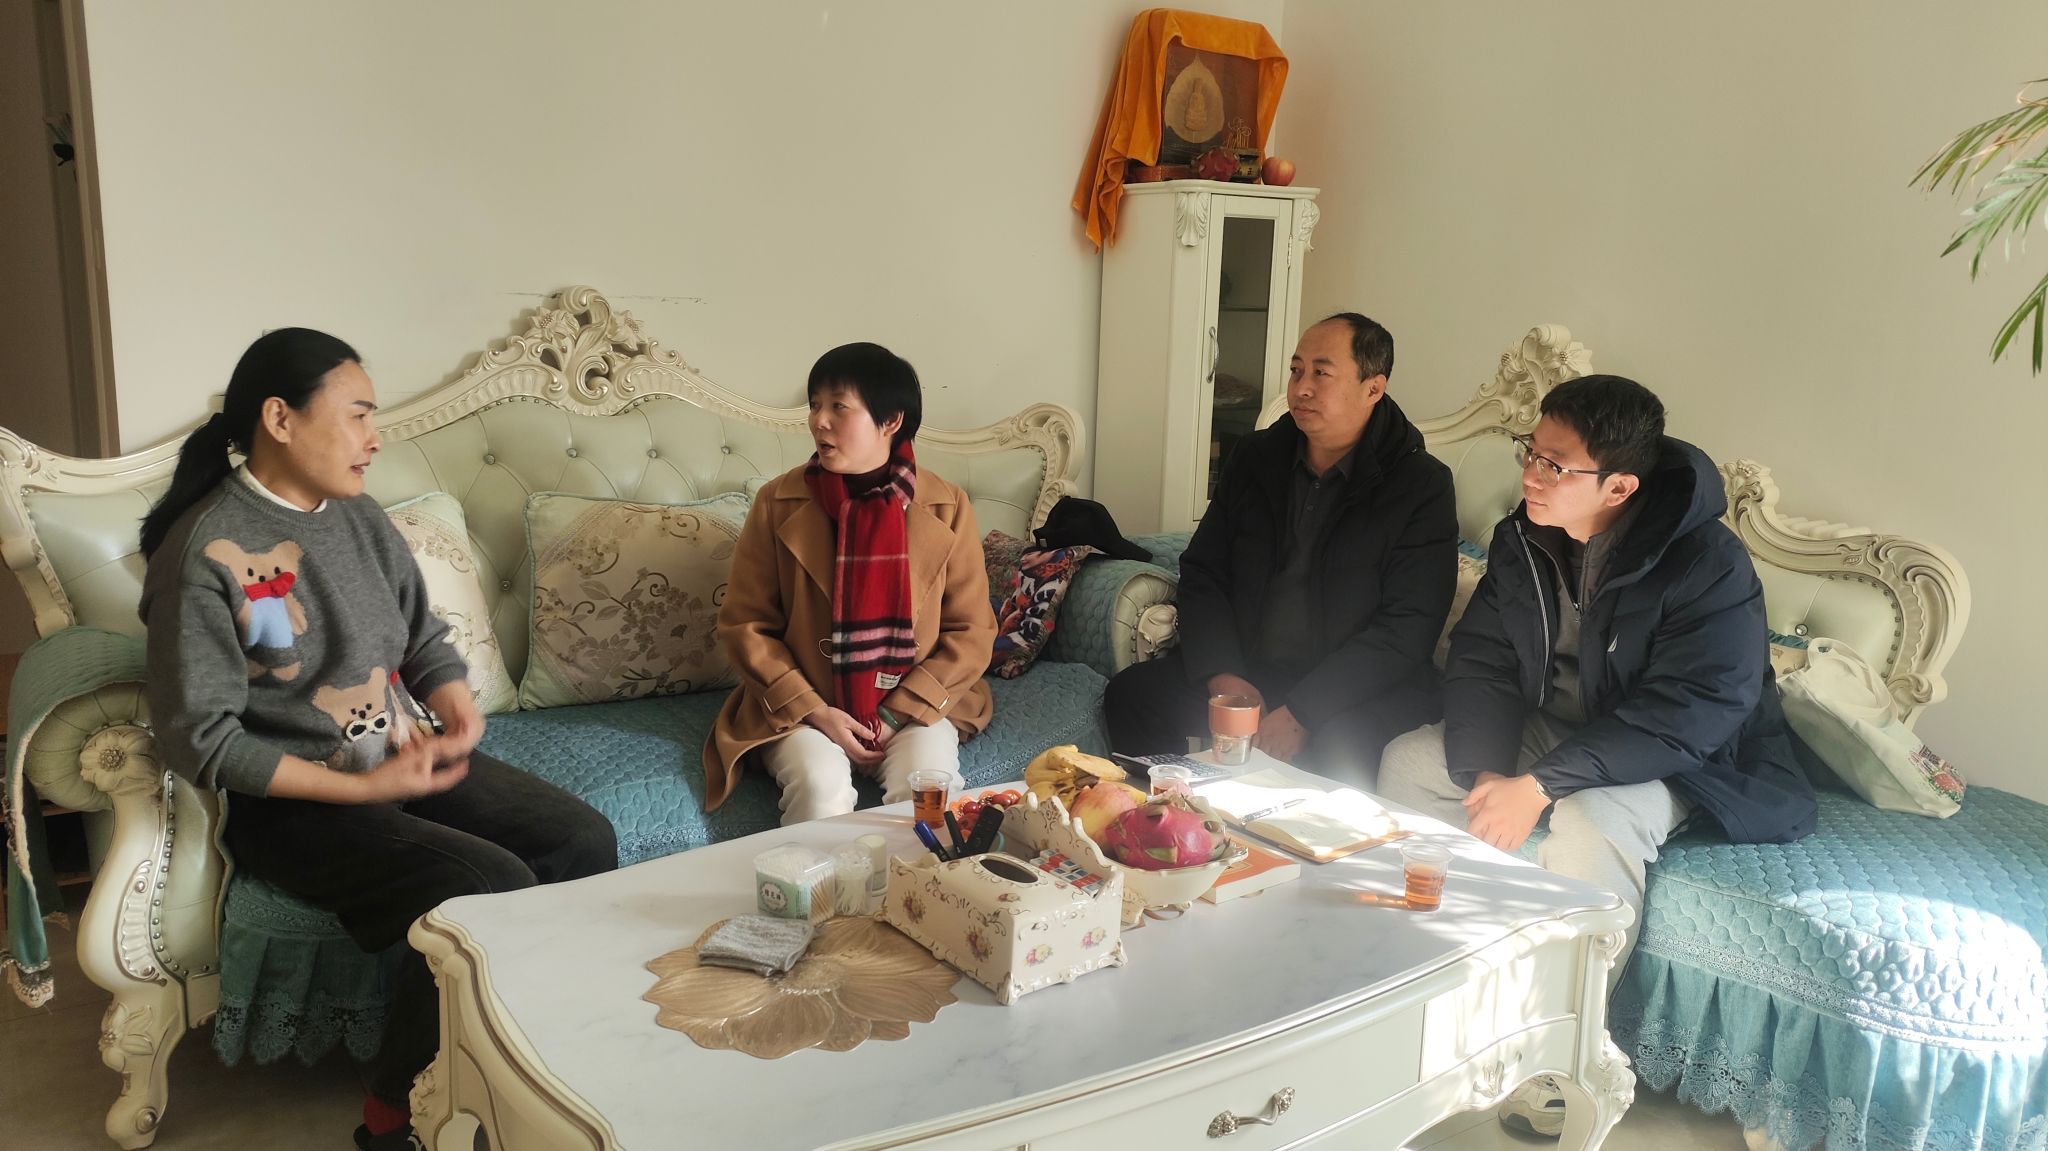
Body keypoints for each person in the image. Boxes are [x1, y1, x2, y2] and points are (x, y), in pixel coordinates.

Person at [138, 328, 617, 1151]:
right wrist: (360, 790)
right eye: (357, 414)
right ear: (280, 418)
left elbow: (421, 636)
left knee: (582, 838)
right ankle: (395, 1112)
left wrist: (456, 704)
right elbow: (202, 741)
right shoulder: (204, 552)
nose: (376, 435)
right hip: (294, 805)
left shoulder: (358, 517)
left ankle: (525, 1056)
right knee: (488, 883)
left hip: (399, 758)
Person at [1377, 374, 1816, 1138]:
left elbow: (1693, 710)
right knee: (1410, 764)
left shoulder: (1708, 562)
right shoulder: (1524, 536)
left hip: (1681, 755)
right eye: (1531, 452)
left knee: (1589, 820)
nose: (1531, 474)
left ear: (1618, 486)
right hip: (1563, 726)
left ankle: (1562, 1055)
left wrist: (1540, 786)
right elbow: (1482, 655)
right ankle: (1419, 991)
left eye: (1555, 464)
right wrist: (1488, 770)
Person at [1103, 313, 1457, 784]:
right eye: (1296, 370)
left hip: (1353, 687)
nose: (1301, 388)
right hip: (1251, 670)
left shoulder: (1421, 485)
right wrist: (1224, 675)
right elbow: (1205, 570)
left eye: (1321, 373)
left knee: (1340, 746)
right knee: (1133, 696)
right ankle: (1170, 819)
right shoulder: (1256, 457)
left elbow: (1407, 627)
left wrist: (1304, 710)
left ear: (1373, 388)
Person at [706, 342, 997, 824]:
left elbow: (971, 631)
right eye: (814, 405)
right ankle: (816, 879)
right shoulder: (777, 502)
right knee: (820, 787)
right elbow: (746, 625)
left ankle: (920, 878)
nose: (819, 421)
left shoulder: (947, 505)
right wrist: (814, 710)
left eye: (838, 406)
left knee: (927, 790)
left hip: (913, 705)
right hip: (804, 708)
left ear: (891, 420)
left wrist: (894, 715)